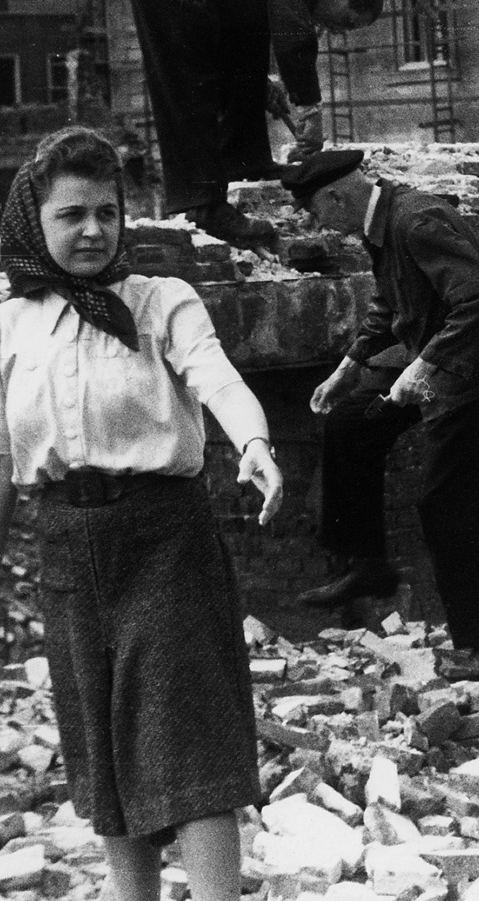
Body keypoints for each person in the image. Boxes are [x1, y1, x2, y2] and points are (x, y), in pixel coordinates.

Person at [0, 126, 283, 901]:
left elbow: (217, 379)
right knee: (105, 753)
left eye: (107, 211)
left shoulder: (161, 301)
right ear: (36, 220)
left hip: (165, 540)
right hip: (65, 545)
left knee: (188, 742)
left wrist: (252, 441)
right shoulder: (8, 320)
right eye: (72, 215)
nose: (94, 230)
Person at [291, 150, 479, 683]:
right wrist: (349, 367)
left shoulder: (416, 219)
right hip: (446, 355)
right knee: (351, 421)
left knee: (446, 507)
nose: (321, 227)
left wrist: (423, 369)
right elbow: (391, 305)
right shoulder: (382, 225)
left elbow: (476, 300)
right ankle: (365, 564)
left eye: (317, 214)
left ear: (337, 197)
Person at [119, 0, 382, 246]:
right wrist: (309, 109)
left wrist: (259, 85)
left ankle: (247, 163)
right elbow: (294, 35)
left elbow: (242, 41)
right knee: (187, 83)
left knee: (249, 55)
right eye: (346, 20)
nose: (337, 30)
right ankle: (203, 206)